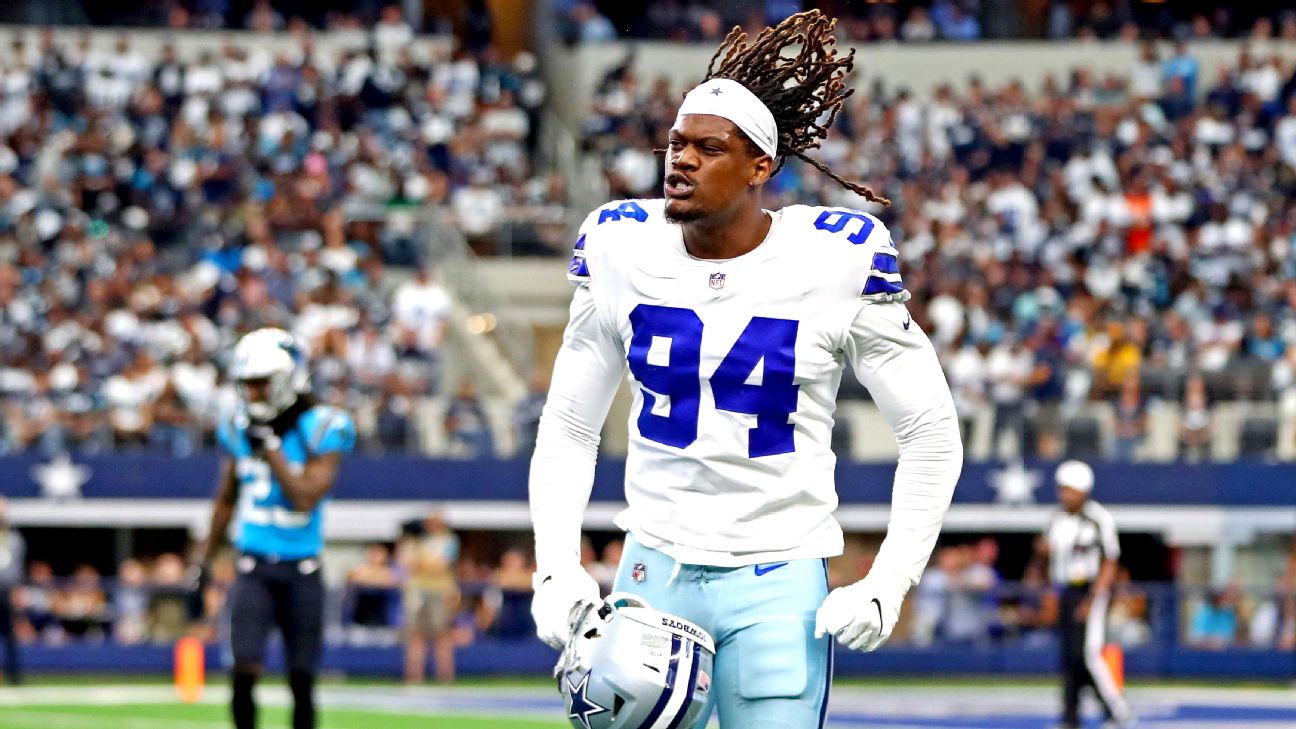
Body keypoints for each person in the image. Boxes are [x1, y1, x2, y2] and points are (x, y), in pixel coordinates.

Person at [528, 11, 963, 727]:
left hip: (777, 577)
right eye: (676, 143)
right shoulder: (619, 246)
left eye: (708, 146)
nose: (681, 159)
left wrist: (890, 577)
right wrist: (554, 563)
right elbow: (571, 424)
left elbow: (929, 431)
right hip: (652, 568)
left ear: (762, 165)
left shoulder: (835, 258)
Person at [196, 328, 356, 729]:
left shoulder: (323, 426)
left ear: (285, 380)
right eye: (246, 384)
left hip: (303, 567)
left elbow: (305, 497)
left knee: (302, 678)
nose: (251, 393)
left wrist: (271, 450)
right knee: (243, 668)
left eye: (259, 383)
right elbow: (226, 498)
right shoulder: (237, 427)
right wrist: (204, 560)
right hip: (254, 565)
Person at [1042, 460, 1134, 729]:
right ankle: (1071, 717)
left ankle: (1118, 710)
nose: (1063, 495)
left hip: (1090, 589)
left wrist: (1093, 597)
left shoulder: (1098, 518)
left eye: (1068, 489)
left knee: (1091, 655)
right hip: (1066, 589)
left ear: (1082, 490)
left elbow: (1110, 561)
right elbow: (1052, 557)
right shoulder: (1057, 519)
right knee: (1069, 657)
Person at [397, 513, 460, 683]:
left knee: (442, 635)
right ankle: (413, 676)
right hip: (417, 591)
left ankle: (445, 676)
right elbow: (405, 562)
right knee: (415, 635)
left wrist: (421, 562)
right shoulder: (414, 542)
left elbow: (440, 565)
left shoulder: (448, 540)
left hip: (440, 591)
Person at [0, 497, 24, 684]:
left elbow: (16, 567)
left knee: (10, 635)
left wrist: (16, 590)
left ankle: (14, 676)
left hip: (6, 590)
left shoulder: (14, 538)